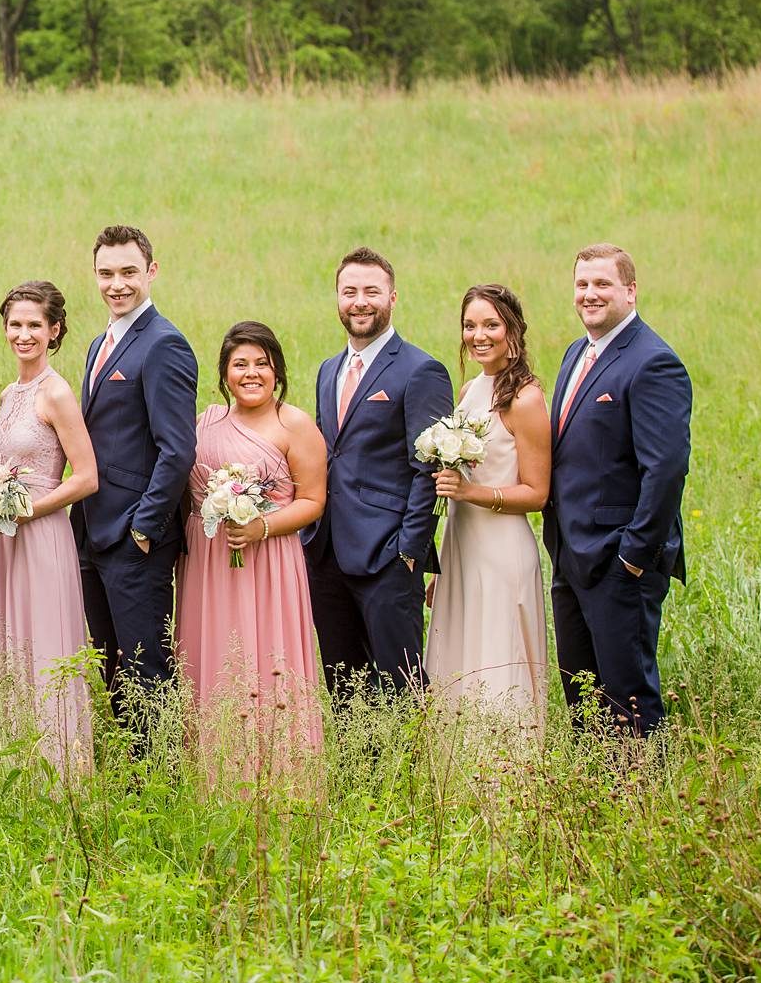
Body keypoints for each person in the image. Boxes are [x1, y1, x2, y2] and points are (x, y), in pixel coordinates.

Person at [544, 244, 691, 738]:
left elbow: (666, 470)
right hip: (572, 556)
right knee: (581, 695)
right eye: (582, 284)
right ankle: (595, 803)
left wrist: (634, 555)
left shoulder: (654, 363)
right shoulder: (576, 353)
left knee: (628, 697)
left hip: (619, 561)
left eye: (602, 284)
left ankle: (644, 806)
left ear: (630, 291)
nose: (590, 294)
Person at [176, 322, 326, 777]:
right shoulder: (205, 423)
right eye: (240, 364)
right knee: (213, 657)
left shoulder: (294, 424)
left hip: (270, 563)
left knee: (266, 657)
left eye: (262, 363)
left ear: (277, 369)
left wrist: (263, 526)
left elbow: (314, 501)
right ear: (224, 373)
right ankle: (214, 771)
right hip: (209, 564)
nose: (251, 373)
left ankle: (277, 772)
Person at [70, 224, 199, 745]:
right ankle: (132, 768)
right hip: (92, 531)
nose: (116, 284)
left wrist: (144, 526)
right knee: (110, 661)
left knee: (146, 664)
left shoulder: (164, 345)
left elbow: (177, 449)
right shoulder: (101, 342)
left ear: (151, 271)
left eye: (128, 272)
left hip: (134, 537)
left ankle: (160, 779)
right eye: (106, 273)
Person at [303, 247, 453, 697]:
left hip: (387, 555)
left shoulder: (421, 370)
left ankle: (406, 769)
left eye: (372, 291)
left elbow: (428, 468)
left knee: (399, 684)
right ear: (337, 298)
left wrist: (409, 549)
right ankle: (356, 769)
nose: (360, 302)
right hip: (326, 552)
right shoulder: (330, 370)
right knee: (343, 686)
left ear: (393, 297)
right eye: (349, 292)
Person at [0, 281, 97, 776]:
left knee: (43, 645)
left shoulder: (57, 392)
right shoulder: (10, 392)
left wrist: (29, 510)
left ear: (54, 330)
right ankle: (12, 764)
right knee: (7, 643)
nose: (23, 334)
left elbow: (86, 476)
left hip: (42, 534)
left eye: (34, 326)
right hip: (4, 541)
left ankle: (57, 769)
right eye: (15, 325)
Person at [426, 284, 551, 740]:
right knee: (460, 654)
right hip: (461, 545)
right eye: (470, 325)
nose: (479, 335)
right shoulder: (471, 389)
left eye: (490, 325)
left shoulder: (525, 399)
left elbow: (537, 493)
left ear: (513, 331)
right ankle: (456, 776)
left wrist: (472, 493)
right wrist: (439, 567)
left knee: (498, 657)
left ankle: (505, 774)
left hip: (501, 548)